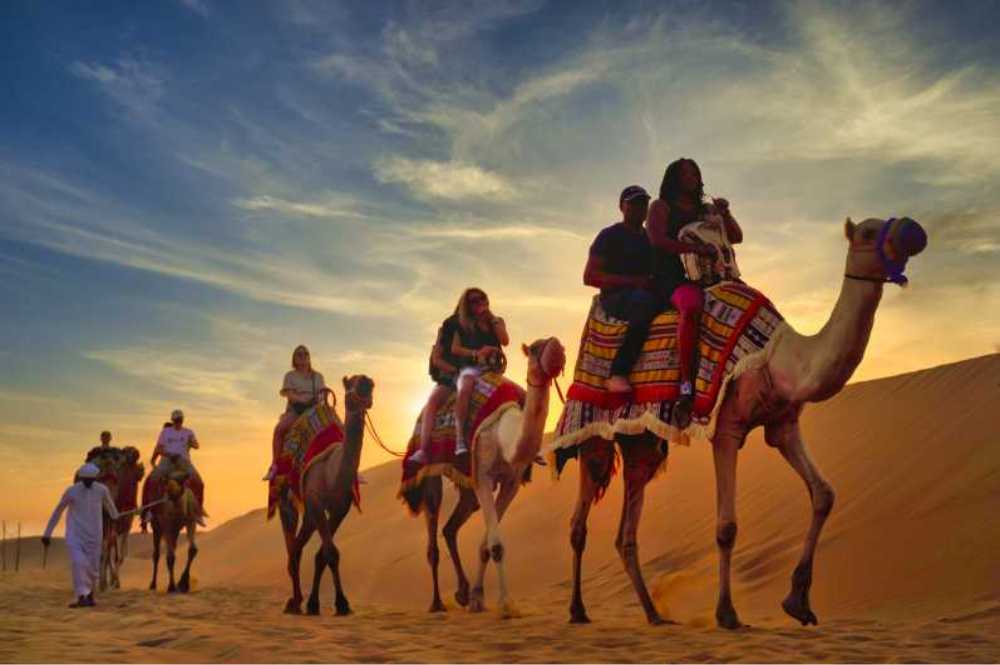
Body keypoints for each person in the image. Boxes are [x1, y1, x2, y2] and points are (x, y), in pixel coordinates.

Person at [646, 158, 742, 426]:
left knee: (751, 303)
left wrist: (725, 214)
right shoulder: (661, 206)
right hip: (673, 278)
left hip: (713, 276)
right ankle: (686, 387)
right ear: (673, 178)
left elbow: (736, 237)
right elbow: (657, 240)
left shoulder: (707, 209)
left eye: (695, 173)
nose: (691, 177)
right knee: (690, 308)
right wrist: (696, 249)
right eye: (685, 173)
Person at [583, 185, 662, 393]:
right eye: (633, 203)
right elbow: (590, 276)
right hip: (616, 297)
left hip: (646, 291)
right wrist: (633, 282)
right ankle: (619, 372)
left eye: (643, 203)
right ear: (622, 206)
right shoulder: (609, 236)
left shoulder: (651, 238)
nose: (639, 208)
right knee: (643, 304)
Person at [41, 463, 120, 608]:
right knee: (78, 563)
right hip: (75, 534)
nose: (88, 482)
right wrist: (47, 534)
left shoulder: (102, 490)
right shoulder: (72, 491)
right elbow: (58, 511)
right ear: (81, 478)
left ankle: (90, 595)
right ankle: (81, 596)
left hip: (95, 535)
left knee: (92, 568)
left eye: (91, 479)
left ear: (95, 478)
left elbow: (112, 509)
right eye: (85, 479)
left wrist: (115, 517)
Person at [450, 288, 509, 456]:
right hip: (471, 368)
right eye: (474, 301)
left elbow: (505, 341)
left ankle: (527, 444)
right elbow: (455, 349)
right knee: (466, 387)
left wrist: (493, 318)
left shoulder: (497, 321)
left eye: (482, 299)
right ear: (467, 305)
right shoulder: (462, 324)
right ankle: (460, 438)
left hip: (493, 371)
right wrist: (477, 353)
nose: (480, 303)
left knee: (523, 396)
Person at [409, 306, 465, 466]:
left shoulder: (482, 326)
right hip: (451, 378)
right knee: (432, 403)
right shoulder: (447, 330)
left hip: (478, 372)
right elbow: (437, 359)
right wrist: (455, 370)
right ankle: (424, 449)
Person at [263, 345, 328, 481]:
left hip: (315, 410)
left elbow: (322, 394)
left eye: (306, 354)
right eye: (299, 354)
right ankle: (275, 465)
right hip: (296, 410)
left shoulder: (318, 377)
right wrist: (303, 400)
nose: (303, 356)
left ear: (309, 358)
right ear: (294, 359)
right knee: (279, 430)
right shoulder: (290, 376)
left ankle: (351, 468)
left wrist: (319, 399)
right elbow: (289, 395)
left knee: (339, 427)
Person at [149, 409, 206, 525]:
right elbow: (159, 448)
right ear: (172, 420)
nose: (178, 422)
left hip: (183, 461)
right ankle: (149, 511)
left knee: (199, 482)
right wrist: (168, 454)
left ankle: (198, 512)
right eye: (176, 420)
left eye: (179, 420)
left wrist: (192, 443)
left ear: (182, 420)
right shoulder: (165, 432)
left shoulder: (188, 432)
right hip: (167, 460)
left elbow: (197, 445)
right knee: (152, 479)